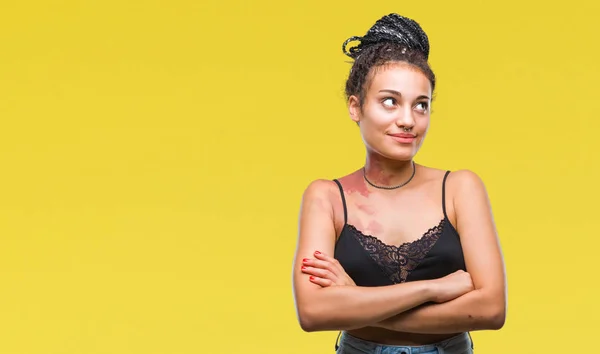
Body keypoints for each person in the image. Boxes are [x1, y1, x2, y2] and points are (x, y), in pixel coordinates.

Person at [291, 13, 507, 354]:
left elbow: (492, 309)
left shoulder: (460, 189)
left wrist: (354, 301)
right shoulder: (326, 197)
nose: (408, 120)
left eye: (421, 105)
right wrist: (433, 289)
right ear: (355, 106)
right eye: (389, 101)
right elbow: (312, 312)